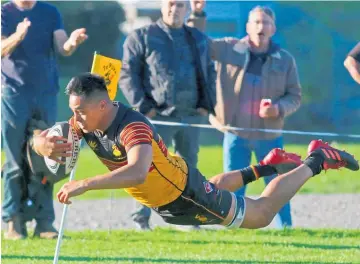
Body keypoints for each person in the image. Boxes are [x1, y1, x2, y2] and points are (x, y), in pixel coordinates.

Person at [31, 73, 358, 231]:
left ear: (102, 105)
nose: (75, 119)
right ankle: (268, 166)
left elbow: (137, 171)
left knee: (260, 215)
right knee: (213, 185)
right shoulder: (86, 122)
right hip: (175, 182)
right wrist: (41, 142)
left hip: (181, 194)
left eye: (80, 111)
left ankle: (317, 159)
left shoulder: (133, 128)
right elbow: (43, 136)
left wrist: (84, 184)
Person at [188, 2, 302, 228]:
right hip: (235, 132)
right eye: (257, 22)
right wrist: (198, 13)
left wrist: (278, 109)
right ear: (248, 27)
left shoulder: (285, 59)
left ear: (273, 29)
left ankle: (286, 227)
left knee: (278, 185)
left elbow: (295, 96)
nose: (261, 26)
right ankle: (232, 228)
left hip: (269, 136)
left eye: (266, 22)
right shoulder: (229, 49)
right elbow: (197, 43)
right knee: (233, 186)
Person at [119, 0, 216, 230]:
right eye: (171, 4)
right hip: (157, 117)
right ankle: (140, 219)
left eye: (180, 5)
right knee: (147, 166)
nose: (175, 9)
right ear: (163, 6)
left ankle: (192, 219)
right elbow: (127, 74)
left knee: (189, 168)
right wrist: (145, 108)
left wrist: (206, 105)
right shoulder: (141, 36)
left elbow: (210, 72)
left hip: (191, 116)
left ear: (187, 8)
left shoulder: (198, 38)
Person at [1, 0, 87, 240]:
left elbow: (63, 46)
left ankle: (44, 223)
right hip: (13, 93)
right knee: (15, 158)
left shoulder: (50, 12)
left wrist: (72, 42)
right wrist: (18, 35)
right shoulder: (4, 12)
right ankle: (14, 222)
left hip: (46, 92)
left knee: (48, 156)